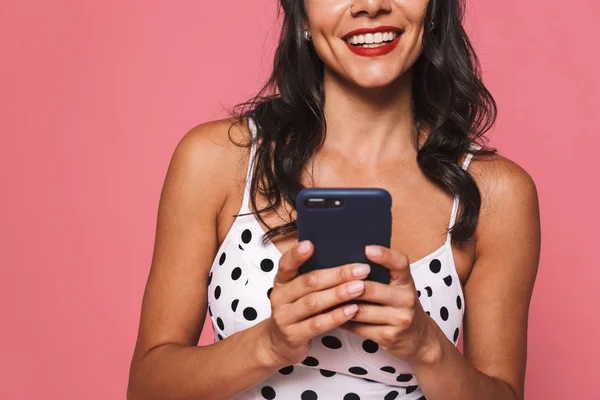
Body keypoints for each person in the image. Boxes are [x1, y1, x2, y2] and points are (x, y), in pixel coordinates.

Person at [127, 0, 540, 399]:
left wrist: (427, 346)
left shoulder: (496, 193)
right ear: (302, 14)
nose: (371, 4)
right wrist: (269, 345)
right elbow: (146, 388)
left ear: (434, 8)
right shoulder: (216, 159)